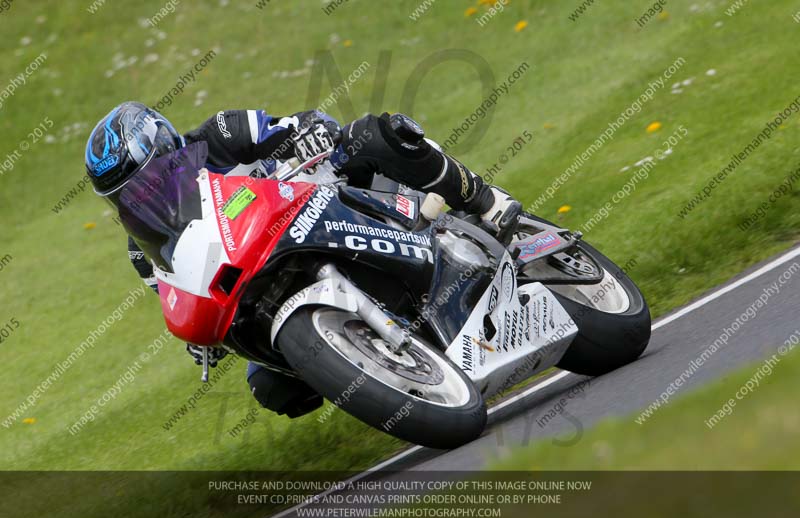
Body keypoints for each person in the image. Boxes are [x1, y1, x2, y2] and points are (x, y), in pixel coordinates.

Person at [85, 101, 522, 417]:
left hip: (322, 201)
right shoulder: (144, 253)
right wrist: (199, 344)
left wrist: (309, 132)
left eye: (148, 179)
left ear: (168, 148)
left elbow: (298, 124)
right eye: (129, 195)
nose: (143, 196)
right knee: (270, 387)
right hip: (265, 282)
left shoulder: (219, 135)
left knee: (372, 133)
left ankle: (484, 200)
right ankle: (388, 381)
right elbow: (181, 292)